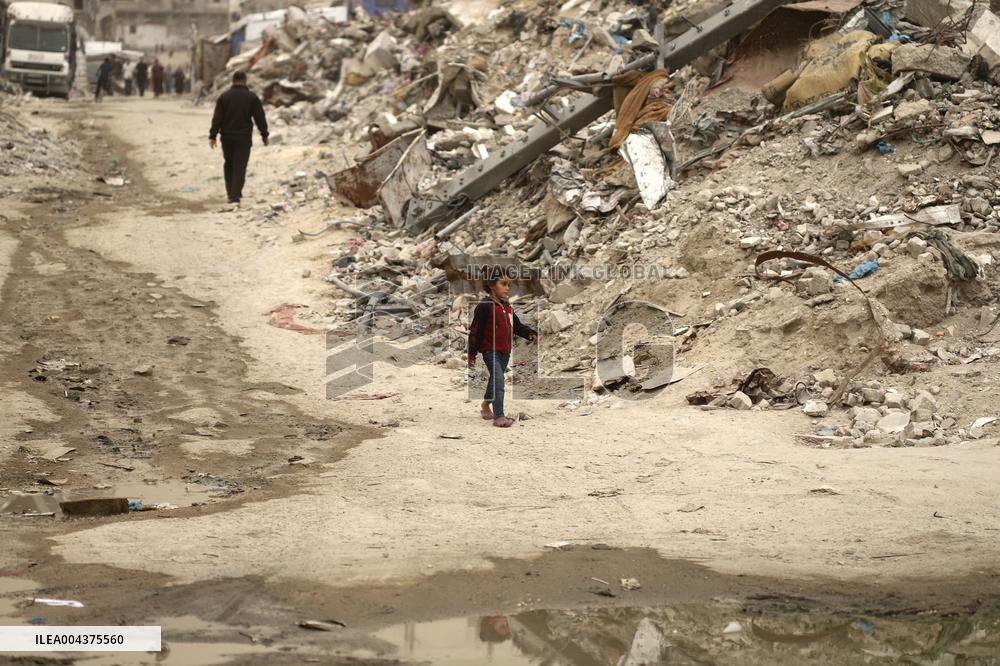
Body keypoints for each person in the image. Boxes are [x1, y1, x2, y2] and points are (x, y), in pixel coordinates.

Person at [467, 274, 537, 428]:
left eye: (508, 285)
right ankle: (499, 416)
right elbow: (475, 331)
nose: (507, 288)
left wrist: (530, 333)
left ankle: (486, 405)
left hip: (505, 351)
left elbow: (517, 326)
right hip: (489, 351)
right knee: (498, 380)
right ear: (492, 286)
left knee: (495, 380)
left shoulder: (506, 306)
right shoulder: (484, 306)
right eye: (503, 284)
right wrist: (471, 354)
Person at [209, 71, 268, 206]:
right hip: (243, 137)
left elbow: (217, 118)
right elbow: (260, 117)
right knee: (240, 165)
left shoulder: (224, 97)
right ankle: (235, 195)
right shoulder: (251, 97)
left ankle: (232, 192)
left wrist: (213, 135)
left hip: (227, 137)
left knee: (229, 163)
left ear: (233, 81)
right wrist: (264, 134)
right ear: (245, 80)